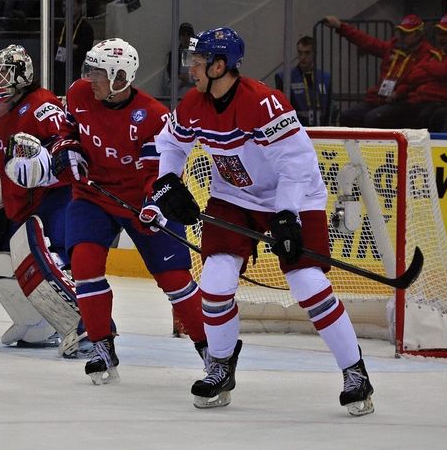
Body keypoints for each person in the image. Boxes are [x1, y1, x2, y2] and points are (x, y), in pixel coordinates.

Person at [150, 27, 375, 415]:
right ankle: (220, 366)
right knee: (216, 281)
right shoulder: (193, 102)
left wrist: (286, 214)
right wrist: (168, 182)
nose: (193, 69)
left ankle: (355, 372)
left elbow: (297, 165)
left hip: (295, 194)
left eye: (199, 62)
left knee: (308, 283)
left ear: (220, 66)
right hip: (234, 196)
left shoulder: (264, 103)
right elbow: (171, 143)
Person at [50, 38, 207, 385]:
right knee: (85, 267)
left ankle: (211, 350)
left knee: (175, 281)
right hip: (91, 195)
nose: (90, 78)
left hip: (140, 202)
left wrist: (155, 204)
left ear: (120, 77)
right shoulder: (79, 94)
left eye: (98, 73)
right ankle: (102, 346)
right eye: (89, 70)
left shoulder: (152, 116)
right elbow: (68, 130)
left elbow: (159, 172)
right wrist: (66, 148)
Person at [0, 44, 88, 358]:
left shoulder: (41, 105)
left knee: (61, 258)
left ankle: (88, 325)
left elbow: (64, 146)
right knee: (11, 263)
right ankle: (34, 321)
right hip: (22, 203)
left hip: (53, 196)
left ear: (23, 75)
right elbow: (2, 162)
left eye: (5, 72)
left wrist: (46, 164)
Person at [323, 13, 438, 128]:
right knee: (347, 116)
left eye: (407, 33)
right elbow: (368, 42)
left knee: (374, 118)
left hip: (403, 102)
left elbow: (416, 80)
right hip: (380, 99)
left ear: (418, 34)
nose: (402, 36)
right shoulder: (393, 47)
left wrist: (399, 92)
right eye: (401, 32)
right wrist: (340, 27)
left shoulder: (427, 54)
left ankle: (372, 146)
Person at [275, 36, 332, 126]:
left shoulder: (325, 78)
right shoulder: (285, 77)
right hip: (297, 129)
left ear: (314, 54)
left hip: (321, 128)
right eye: (300, 53)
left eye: (307, 53)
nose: (303, 57)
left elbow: (329, 109)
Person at [54, 0, 94, 96]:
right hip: (58, 70)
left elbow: (84, 50)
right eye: (64, 6)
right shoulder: (60, 26)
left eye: (71, 6)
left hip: (75, 70)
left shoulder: (85, 28)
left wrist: (70, 47)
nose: (66, 9)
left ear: (79, 7)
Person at [163, 22, 196, 99]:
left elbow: (203, 79)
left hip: (195, 99)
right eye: (183, 35)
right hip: (178, 100)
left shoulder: (199, 55)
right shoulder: (172, 56)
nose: (186, 38)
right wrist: (181, 81)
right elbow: (167, 85)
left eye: (188, 35)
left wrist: (188, 78)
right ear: (179, 37)